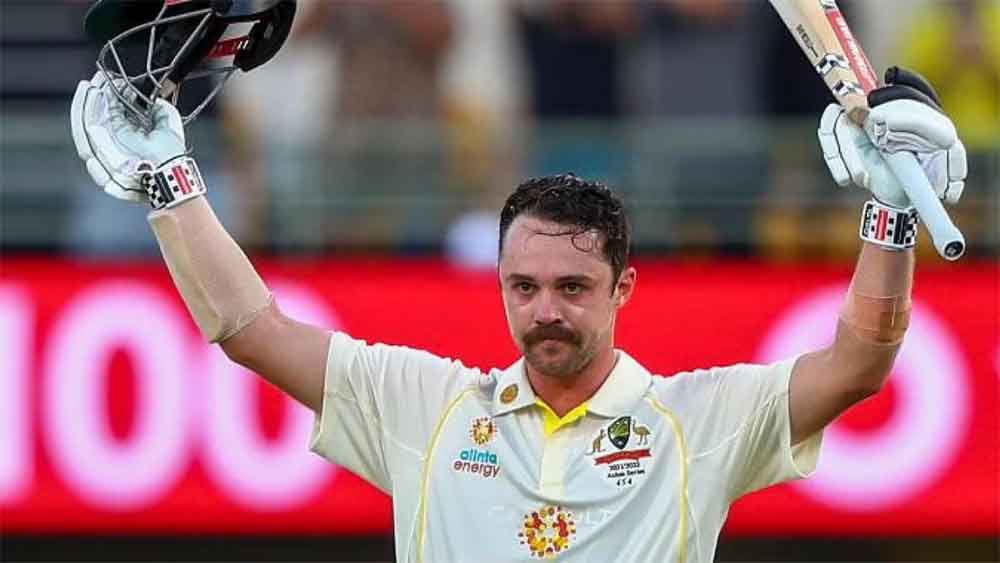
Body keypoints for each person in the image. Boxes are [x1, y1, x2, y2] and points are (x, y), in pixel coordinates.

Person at [70, 63, 967, 560]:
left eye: (573, 288)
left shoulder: (695, 421)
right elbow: (251, 329)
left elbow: (859, 363)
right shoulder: (427, 406)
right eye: (523, 286)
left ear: (623, 287)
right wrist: (169, 180)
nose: (545, 312)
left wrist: (891, 214)